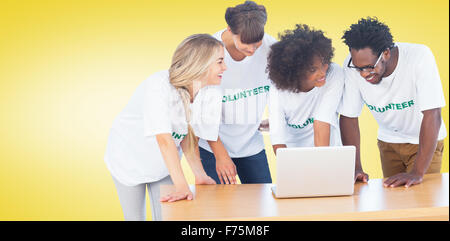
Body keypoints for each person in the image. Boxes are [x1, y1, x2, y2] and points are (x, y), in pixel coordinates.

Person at [104, 34, 226, 221]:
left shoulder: (206, 92)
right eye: (220, 62)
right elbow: (164, 140)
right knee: (134, 217)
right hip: (128, 159)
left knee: (169, 216)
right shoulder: (159, 85)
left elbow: (187, 136)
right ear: (201, 63)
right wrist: (181, 186)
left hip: (162, 165)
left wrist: (199, 174)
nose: (225, 67)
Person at [338, 17, 447, 188]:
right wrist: (356, 167)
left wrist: (417, 172)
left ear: (386, 54)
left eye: (369, 67)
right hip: (388, 142)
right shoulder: (352, 65)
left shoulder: (419, 57)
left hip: (423, 141)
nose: (363, 74)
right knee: (394, 207)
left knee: (422, 205)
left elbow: (432, 114)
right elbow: (348, 117)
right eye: (358, 69)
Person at [198, 0, 277, 185]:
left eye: (257, 44)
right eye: (245, 43)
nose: (252, 49)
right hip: (213, 145)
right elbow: (199, 111)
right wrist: (221, 155)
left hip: (251, 144)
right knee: (219, 209)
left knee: (262, 207)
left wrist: (276, 118)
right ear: (229, 29)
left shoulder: (271, 47)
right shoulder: (206, 52)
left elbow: (282, 87)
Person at [267, 24, 344, 155]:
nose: (322, 73)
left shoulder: (334, 73)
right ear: (295, 71)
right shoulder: (276, 89)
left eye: (324, 63)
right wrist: (288, 165)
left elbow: (322, 121)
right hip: (295, 154)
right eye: (313, 69)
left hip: (328, 152)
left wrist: (322, 165)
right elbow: (277, 137)